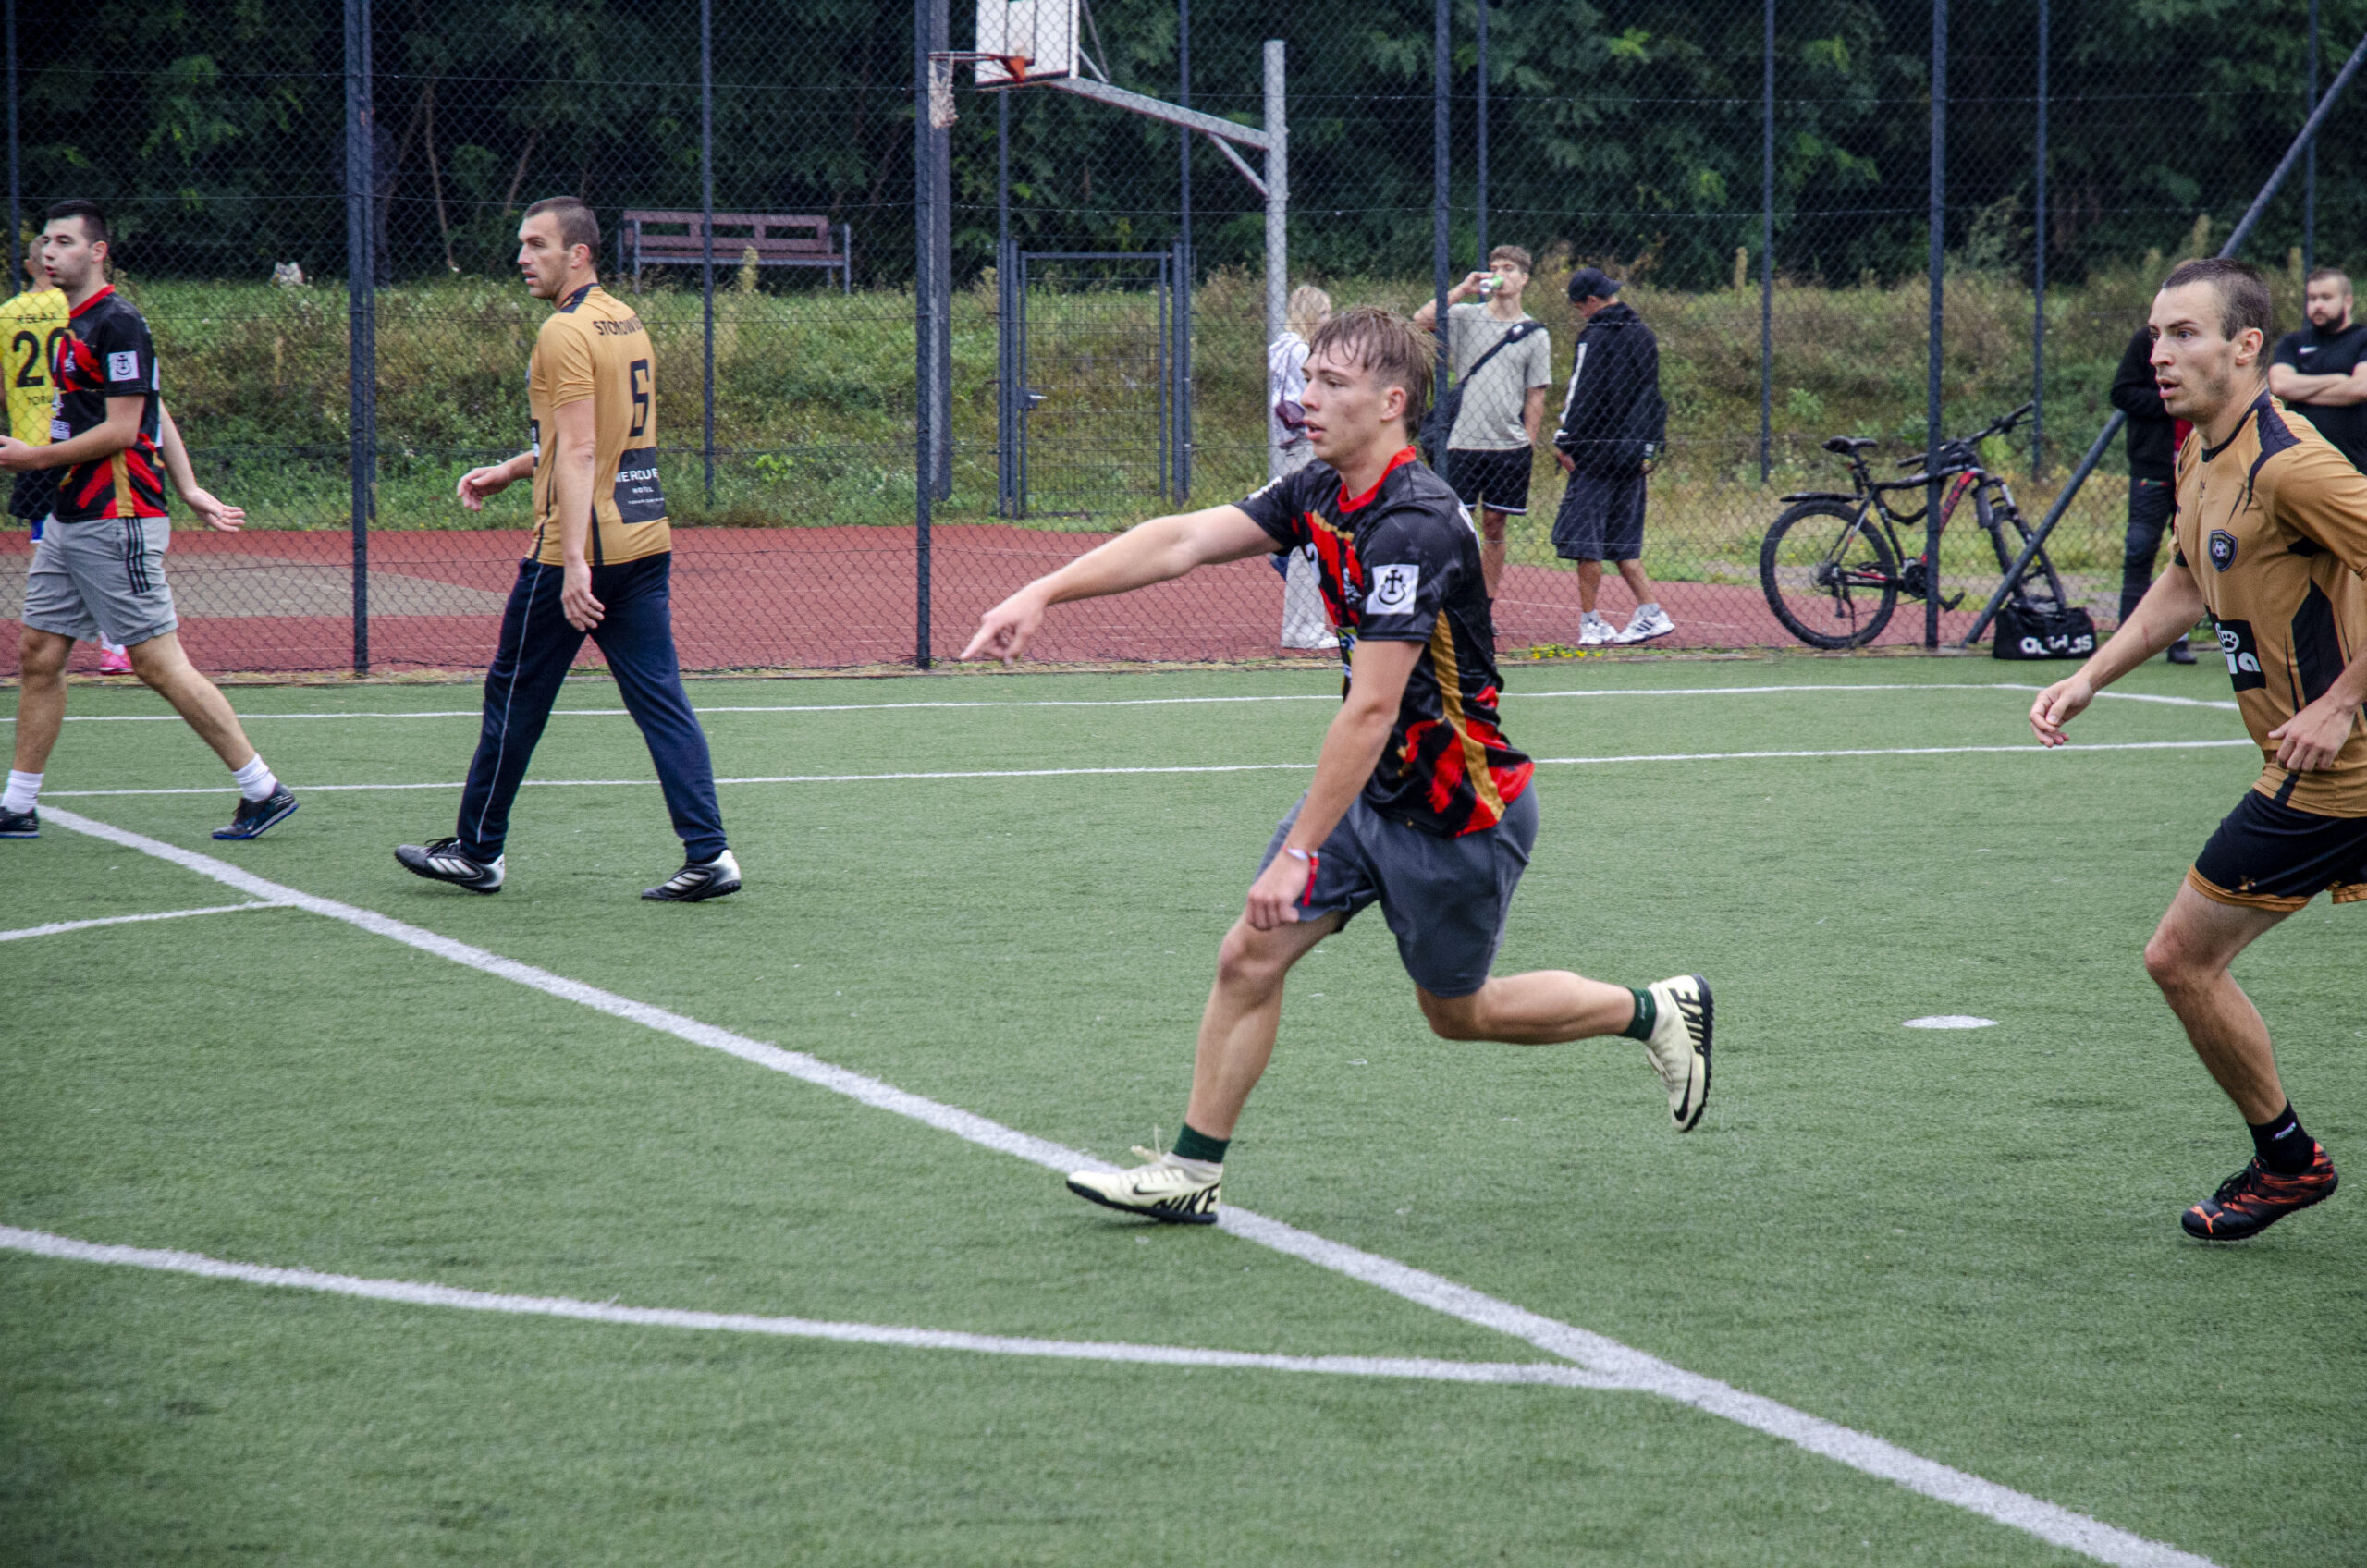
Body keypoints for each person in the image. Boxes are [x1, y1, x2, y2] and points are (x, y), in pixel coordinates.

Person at [963, 307, 1712, 1225]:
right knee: (1248, 955)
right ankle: (1192, 1170)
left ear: (1390, 402)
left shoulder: (1415, 524)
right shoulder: (1319, 489)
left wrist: (1296, 853)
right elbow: (1183, 539)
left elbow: (1372, 708)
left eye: (1330, 383)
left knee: (1459, 1014)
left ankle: (1654, 1009)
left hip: (1457, 811)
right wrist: (1042, 591)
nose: (1305, 397)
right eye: (1308, 378)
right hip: (1370, 797)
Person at [2031, 257, 2365, 1242]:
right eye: (2156, 334)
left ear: (2246, 345)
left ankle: (2288, 1164)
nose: (2159, 353)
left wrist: (2342, 702)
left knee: (2180, 957)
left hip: (2336, 777)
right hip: (2317, 768)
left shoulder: (2290, 464)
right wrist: (2092, 675)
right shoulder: (2199, 453)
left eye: (2184, 333)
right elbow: (2186, 578)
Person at [394, 196, 739, 901]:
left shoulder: (563, 331)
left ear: (577, 253)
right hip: (644, 540)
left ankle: (478, 852)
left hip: (575, 553)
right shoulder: (625, 320)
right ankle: (711, 855)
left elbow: (581, 450)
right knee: (660, 700)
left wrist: (575, 561)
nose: (523, 257)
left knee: (514, 696)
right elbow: (591, 439)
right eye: (524, 244)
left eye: (538, 244)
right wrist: (513, 470)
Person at [0, 199, 284, 843]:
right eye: (46, 240)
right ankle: (17, 803)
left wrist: (31, 457)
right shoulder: (74, 321)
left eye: (65, 241)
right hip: (71, 514)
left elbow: (126, 428)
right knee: (40, 653)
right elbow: (156, 407)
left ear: (98, 252)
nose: (49, 251)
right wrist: (191, 486)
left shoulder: (118, 321)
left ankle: (262, 788)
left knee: (156, 662)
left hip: (117, 516)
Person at [1412, 244, 1553, 598]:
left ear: (1524, 278)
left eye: (1508, 268)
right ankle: (1452, 599)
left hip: (1507, 443)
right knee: (1454, 523)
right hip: (1462, 439)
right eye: (1495, 267)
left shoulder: (1535, 333)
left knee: (1495, 525)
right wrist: (1463, 288)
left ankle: (1484, 604)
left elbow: (1536, 394)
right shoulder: (1465, 315)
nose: (1500, 274)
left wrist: (1528, 443)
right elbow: (1421, 321)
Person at [1550, 267, 1671, 645]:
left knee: (1586, 543)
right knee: (1624, 542)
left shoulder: (1594, 337)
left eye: (1579, 307)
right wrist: (1648, 445)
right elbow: (1650, 396)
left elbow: (1581, 391)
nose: (1580, 314)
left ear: (1590, 301)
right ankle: (1651, 612)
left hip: (1594, 453)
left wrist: (1565, 440)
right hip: (1631, 455)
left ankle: (1591, 622)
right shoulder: (1643, 334)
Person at [2108, 323, 2196, 663]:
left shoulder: (2208, 343)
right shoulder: (2145, 341)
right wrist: (2170, 400)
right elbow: (2122, 392)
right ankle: (2125, 643)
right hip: (2153, 467)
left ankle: (2179, 640)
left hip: (2197, 467)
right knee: (2139, 549)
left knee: (2191, 553)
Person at [1268, 284, 1336, 649]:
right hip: (1305, 444)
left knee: (1308, 533)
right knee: (1311, 536)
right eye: (1323, 312)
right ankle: (1302, 627)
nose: (1328, 319)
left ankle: (1304, 624)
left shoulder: (1283, 347)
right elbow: (1301, 400)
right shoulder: (1299, 350)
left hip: (1294, 445)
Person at [2268, 267, 2367, 473]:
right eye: (2312, 298)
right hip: (2300, 462)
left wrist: (2301, 391)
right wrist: (2338, 379)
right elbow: (2280, 386)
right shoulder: (2292, 342)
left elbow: (2360, 388)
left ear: (2347, 302)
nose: (2318, 305)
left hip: (2354, 465)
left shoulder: (2362, 339)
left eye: (2326, 297)